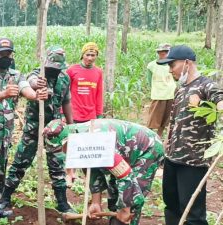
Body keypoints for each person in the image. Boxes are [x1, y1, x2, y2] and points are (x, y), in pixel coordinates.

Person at [0, 37, 48, 222]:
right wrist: (4, 93)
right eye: (1, 54)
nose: (5, 57)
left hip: (4, 137)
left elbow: (26, 89)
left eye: (8, 54)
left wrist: (36, 95)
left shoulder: (15, 75)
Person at [0, 46, 76, 214]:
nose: (54, 71)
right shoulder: (37, 74)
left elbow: (67, 102)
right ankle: (5, 197)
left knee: (57, 166)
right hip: (34, 127)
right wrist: (36, 84)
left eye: (57, 68)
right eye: (51, 68)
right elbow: (30, 81)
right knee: (21, 162)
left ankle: (62, 202)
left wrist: (71, 126)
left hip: (55, 129)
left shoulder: (64, 78)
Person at [43, 118, 164, 225]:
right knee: (114, 194)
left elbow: (125, 176)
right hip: (124, 153)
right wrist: (96, 202)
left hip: (147, 149)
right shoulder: (77, 143)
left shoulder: (97, 140)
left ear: (67, 140)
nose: (61, 153)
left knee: (132, 199)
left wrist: (125, 209)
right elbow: (92, 169)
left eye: (60, 149)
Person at [157, 45, 223, 225]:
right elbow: (174, 119)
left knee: (193, 212)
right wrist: (166, 143)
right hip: (172, 158)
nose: (170, 70)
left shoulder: (206, 85)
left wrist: (201, 104)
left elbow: (220, 102)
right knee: (171, 205)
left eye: (172, 65)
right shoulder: (180, 89)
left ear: (187, 63)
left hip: (193, 161)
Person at [65, 42, 104, 186]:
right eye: (88, 54)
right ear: (82, 55)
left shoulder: (98, 72)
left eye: (93, 55)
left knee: (87, 146)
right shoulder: (72, 70)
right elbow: (65, 92)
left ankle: (88, 178)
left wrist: (99, 114)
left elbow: (99, 94)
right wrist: (64, 112)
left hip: (90, 115)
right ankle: (70, 173)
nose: (90, 58)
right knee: (70, 144)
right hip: (74, 113)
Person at [146, 43, 176, 137]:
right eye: (160, 52)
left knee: (165, 120)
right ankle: (147, 136)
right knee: (153, 119)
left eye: (165, 52)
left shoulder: (172, 65)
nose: (162, 54)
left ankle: (158, 136)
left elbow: (176, 79)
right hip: (158, 95)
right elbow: (150, 80)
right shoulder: (152, 65)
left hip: (171, 94)